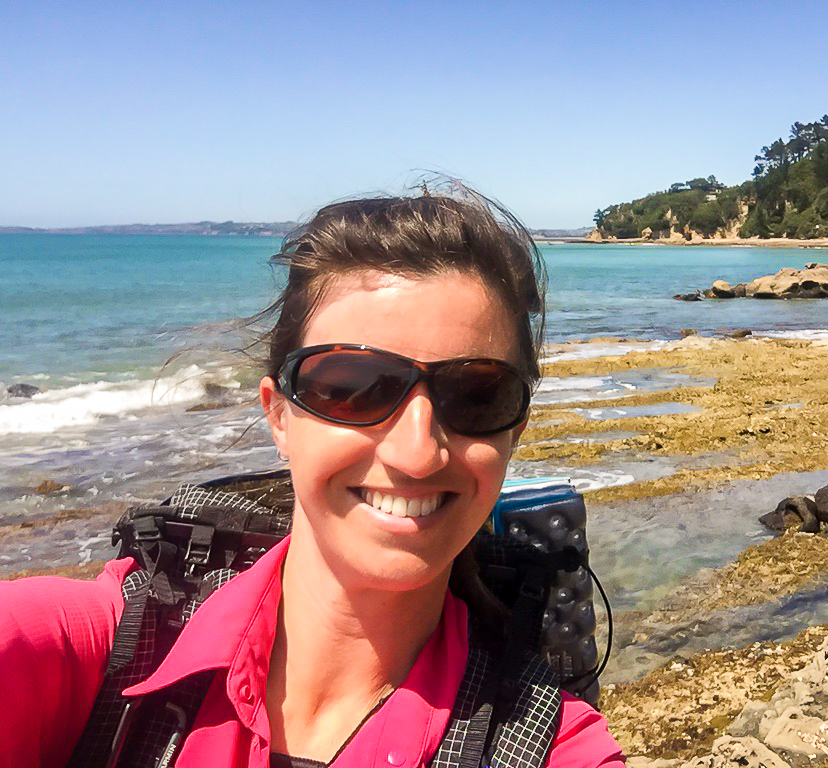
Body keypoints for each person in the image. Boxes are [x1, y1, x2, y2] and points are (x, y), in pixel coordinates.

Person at [0, 187, 626, 767]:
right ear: (279, 414)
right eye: (353, 388)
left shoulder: (551, 746)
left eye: (477, 395)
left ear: (514, 429)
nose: (417, 454)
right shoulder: (100, 654)